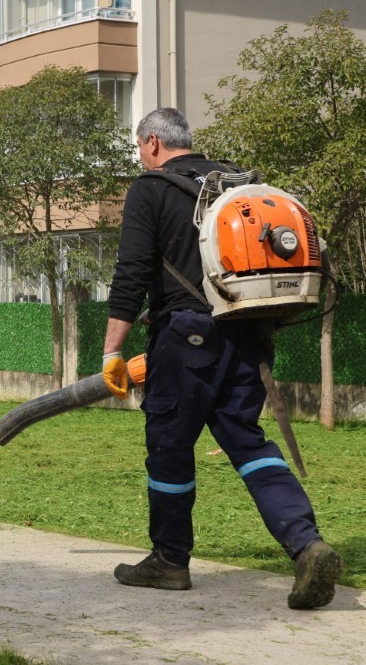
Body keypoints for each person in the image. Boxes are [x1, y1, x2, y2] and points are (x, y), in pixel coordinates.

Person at [101, 107, 341, 609]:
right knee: (248, 442)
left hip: (187, 336)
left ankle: (169, 561)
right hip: (249, 332)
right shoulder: (235, 181)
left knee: (168, 444)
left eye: (140, 147)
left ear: (151, 144)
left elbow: (133, 273)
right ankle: (306, 543)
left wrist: (112, 350)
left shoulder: (152, 188)